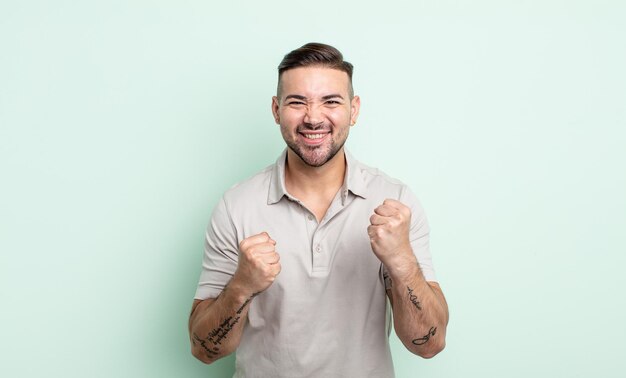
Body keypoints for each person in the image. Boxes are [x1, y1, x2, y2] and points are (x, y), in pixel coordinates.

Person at [188, 42, 449, 377]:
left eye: (331, 101)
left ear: (354, 110)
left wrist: (403, 264)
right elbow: (203, 349)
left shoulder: (395, 202)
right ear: (276, 109)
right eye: (297, 102)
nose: (313, 118)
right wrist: (242, 284)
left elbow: (428, 344)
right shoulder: (236, 206)